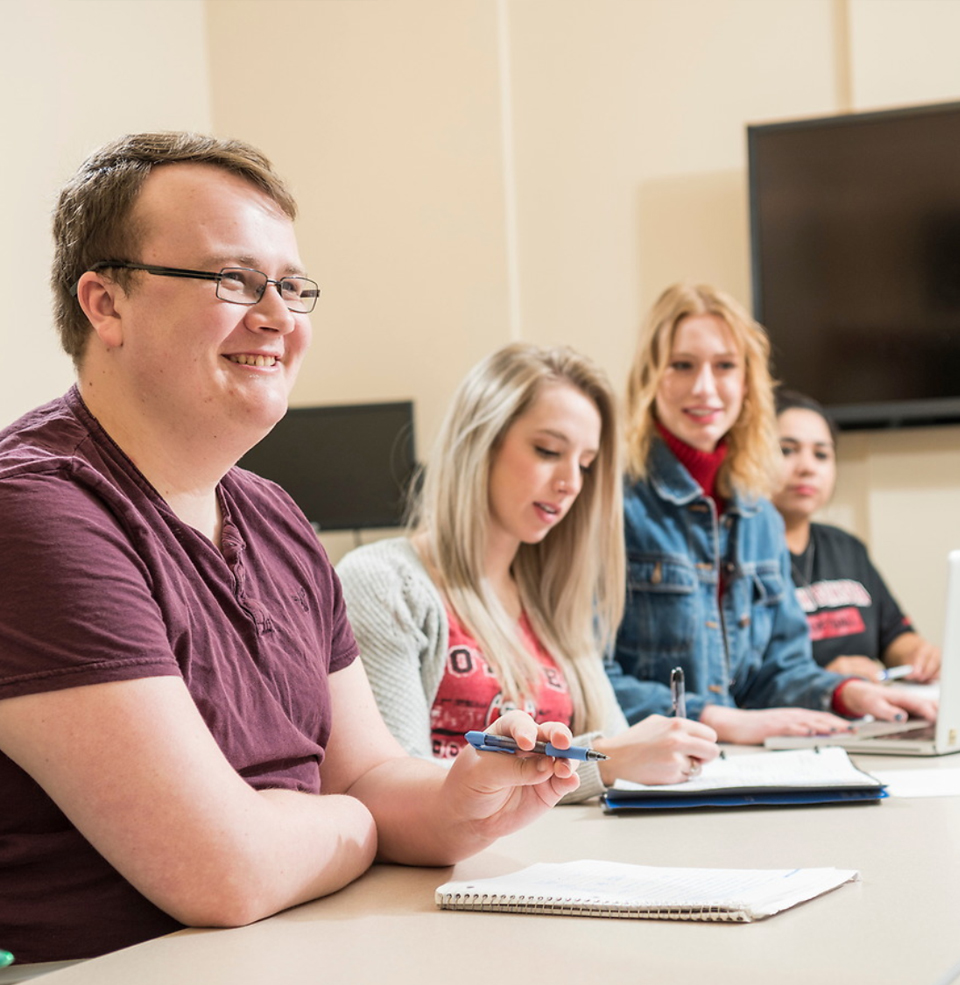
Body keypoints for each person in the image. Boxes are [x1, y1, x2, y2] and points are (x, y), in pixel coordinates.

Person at [0, 133, 581, 966]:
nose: (276, 316)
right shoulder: (36, 511)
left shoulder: (273, 517)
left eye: (293, 286)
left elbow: (369, 775)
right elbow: (224, 868)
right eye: (233, 280)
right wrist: (350, 823)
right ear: (106, 303)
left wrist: (462, 798)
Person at [337, 342, 719, 801]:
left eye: (585, 464)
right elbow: (394, 783)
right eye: (547, 450)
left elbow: (615, 741)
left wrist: (643, 756)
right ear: (480, 442)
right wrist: (605, 759)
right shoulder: (382, 582)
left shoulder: (552, 599)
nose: (571, 483)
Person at [608, 283, 936, 745]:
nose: (705, 387)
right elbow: (588, 679)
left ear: (747, 382)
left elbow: (778, 671)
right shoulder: (611, 505)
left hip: (740, 769)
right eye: (682, 365)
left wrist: (848, 693)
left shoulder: (760, 515)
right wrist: (721, 719)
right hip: (647, 775)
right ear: (650, 376)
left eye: (725, 366)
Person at [772, 389, 940, 682]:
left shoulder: (847, 548)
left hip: (868, 714)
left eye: (822, 454)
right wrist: (825, 681)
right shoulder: (736, 556)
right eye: (787, 450)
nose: (807, 468)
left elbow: (895, 636)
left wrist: (916, 654)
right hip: (793, 718)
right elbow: (740, 681)